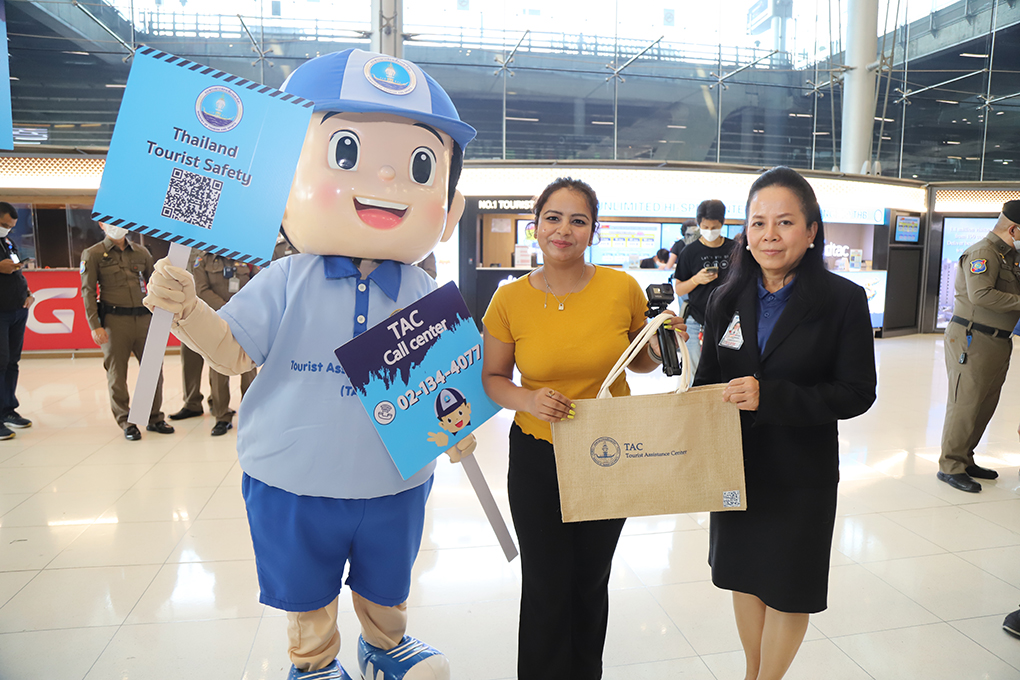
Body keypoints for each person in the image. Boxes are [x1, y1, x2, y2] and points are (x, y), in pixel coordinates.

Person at [144, 49, 475, 680]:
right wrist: (187, 309)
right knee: (306, 582)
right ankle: (315, 661)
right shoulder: (286, 279)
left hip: (395, 478)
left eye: (419, 166)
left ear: (448, 205)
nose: (387, 180)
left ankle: (384, 647)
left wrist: (456, 427)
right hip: (295, 472)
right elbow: (233, 351)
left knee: (388, 572)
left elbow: (445, 386)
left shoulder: (423, 293)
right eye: (346, 153)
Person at [481, 177, 684, 680]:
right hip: (538, 454)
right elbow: (493, 379)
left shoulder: (621, 288)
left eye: (578, 220)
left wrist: (658, 343)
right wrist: (529, 398)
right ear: (535, 227)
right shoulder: (508, 300)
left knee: (591, 579)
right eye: (553, 218)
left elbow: (637, 362)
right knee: (546, 582)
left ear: (593, 231)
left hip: (608, 451)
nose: (563, 230)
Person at [695, 166, 876, 680]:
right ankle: (752, 672)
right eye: (758, 223)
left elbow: (857, 392)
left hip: (801, 473)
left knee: (789, 585)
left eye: (785, 222)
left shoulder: (842, 300)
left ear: (812, 230)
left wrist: (769, 397)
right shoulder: (726, 298)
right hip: (736, 469)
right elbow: (708, 380)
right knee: (743, 575)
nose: (769, 235)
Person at [936, 200, 1020, 493]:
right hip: (973, 339)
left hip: (998, 341)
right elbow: (981, 294)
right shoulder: (983, 253)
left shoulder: (1009, 256)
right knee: (965, 403)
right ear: (1014, 229)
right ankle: (950, 466)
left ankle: (965, 458)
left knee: (984, 404)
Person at [80, 222, 174, 440]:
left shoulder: (141, 253)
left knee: (152, 369)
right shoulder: (93, 254)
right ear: (102, 224)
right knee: (117, 374)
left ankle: (154, 417)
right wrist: (95, 325)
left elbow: (155, 285)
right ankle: (126, 420)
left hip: (144, 319)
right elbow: (88, 291)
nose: (117, 226)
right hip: (114, 321)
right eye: (111, 221)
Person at [191, 252, 259, 436]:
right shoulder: (203, 259)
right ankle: (222, 417)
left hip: (245, 319)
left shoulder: (248, 255)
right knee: (218, 369)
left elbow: (259, 284)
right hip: (217, 320)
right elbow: (201, 289)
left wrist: (240, 311)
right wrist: (228, 311)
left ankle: (251, 416)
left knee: (249, 369)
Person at [673, 199, 736, 374]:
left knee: (726, 368)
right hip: (696, 320)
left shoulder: (734, 249)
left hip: (729, 319)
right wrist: (696, 280)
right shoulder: (689, 252)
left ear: (722, 223)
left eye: (714, 227)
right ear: (699, 224)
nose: (709, 231)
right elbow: (679, 289)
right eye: (705, 227)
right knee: (693, 370)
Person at [0, 202, 33, 439]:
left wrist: (27, 294)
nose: (7, 229)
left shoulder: (8, 242)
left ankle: (8, 410)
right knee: (0, 363)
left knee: (12, 362)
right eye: (3, 224)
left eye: (10, 226)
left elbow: (17, 272)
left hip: (17, 310)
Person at [169, 249, 207, 422]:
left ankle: (218, 401)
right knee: (190, 360)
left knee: (218, 359)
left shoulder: (216, 245)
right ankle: (192, 403)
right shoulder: (181, 249)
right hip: (189, 313)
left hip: (214, 310)